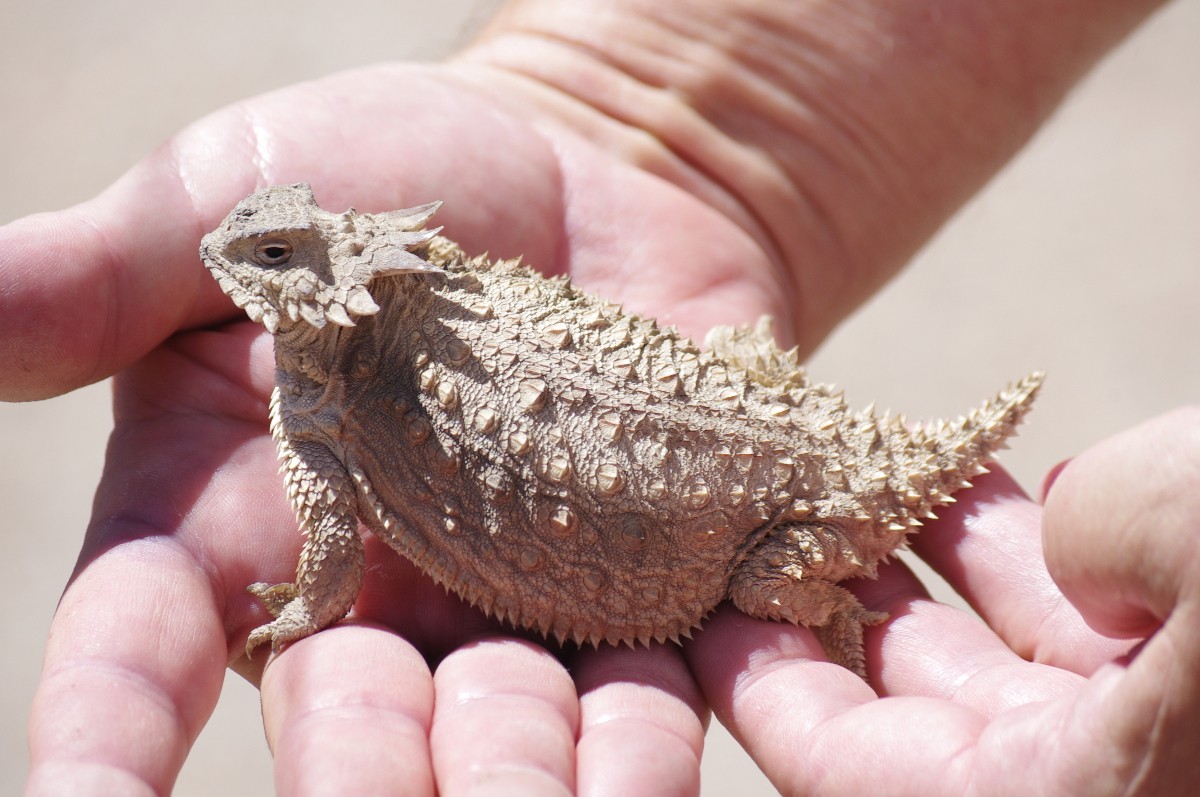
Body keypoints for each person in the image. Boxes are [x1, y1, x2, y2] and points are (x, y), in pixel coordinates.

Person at [4, 0, 1195, 794]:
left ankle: (838, 624)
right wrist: (603, 89)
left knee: (767, 590)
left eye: (274, 256)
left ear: (332, 271)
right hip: (746, 414)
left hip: (762, 527)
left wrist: (296, 619)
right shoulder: (390, 324)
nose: (233, 262)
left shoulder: (340, 389)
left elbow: (327, 564)